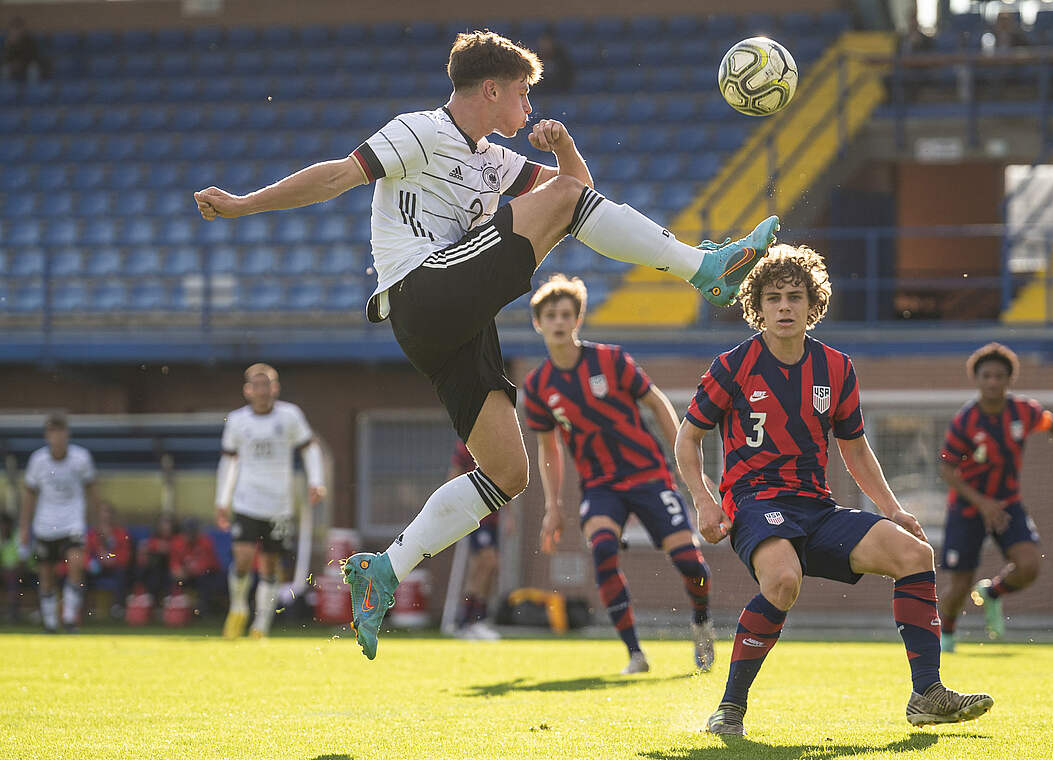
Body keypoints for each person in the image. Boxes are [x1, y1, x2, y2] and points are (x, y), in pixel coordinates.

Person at [193, 30, 778, 659]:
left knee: (506, 473)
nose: (530, 104)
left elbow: (578, 194)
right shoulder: (419, 130)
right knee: (562, 204)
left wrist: (566, 145)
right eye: (524, 91)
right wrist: (243, 205)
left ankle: (384, 570)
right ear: (491, 89)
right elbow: (338, 175)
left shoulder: (493, 160)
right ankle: (703, 269)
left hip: (450, 326)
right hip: (424, 288)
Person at [675, 245, 992, 734]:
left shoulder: (837, 368)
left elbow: (856, 449)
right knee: (782, 582)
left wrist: (894, 511)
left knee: (915, 554)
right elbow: (688, 438)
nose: (784, 307)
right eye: (774, 297)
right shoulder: (732, 365)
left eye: (795, 297)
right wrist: (703, 499)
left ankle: (927, 694)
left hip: (816, 509)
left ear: (813, 305)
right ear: (756, 305)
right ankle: (730, 710)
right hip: (755, 502)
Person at [525, 275, 716, 674]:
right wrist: (553, 507)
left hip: (649, 475)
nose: (559, 321)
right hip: (601, 485)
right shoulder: (538, 386)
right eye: (550, 315)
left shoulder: (611, 360)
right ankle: (634, 653)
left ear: (577, 320)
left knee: (690, 562)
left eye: (566, 314)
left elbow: (658, 404)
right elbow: (549, 450)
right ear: (538, 323)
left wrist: (686, 467)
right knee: (603, 551)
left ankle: (701, 623)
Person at [935, 342, 1053, 651]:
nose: (993, 382)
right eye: (986, 376)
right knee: (959, 585)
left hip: (1007, 503)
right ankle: (945, 636)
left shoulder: (1024, 411)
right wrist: (981, 502)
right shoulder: (965, 421)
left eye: (999, 376)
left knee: (1029, 567)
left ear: (1010, 379)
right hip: (968, 507)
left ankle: (993, 593)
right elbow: (946, 469)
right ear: (977, 379)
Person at [215, 363, 326, 639]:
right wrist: (222, 500)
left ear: (275, 388)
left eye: (267, 384)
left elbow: (309, 447)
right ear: (247, 390)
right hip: (246, 501)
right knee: (242, 559)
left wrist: (316, 481)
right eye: (256, 385)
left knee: (270, 564)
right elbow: (228, 462)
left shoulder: (289, 416)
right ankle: (238, 607)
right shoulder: (237, 421)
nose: (262, 390)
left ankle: (261, 624)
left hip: (279, 505)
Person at [19, 414, 97, 633]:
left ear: (67, 434)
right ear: (47, 435)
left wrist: (97, 522)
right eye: (52, 432)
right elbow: (29, 495)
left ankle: (70, 618)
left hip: (72, 523)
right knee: (46, 575)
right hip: (45, 525)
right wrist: (24, 527)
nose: (57, 437)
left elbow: (92, 490)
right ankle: (51, 622)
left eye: (61, 431)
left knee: (76, 566)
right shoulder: (38, 461)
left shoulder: (81, 458)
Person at [448, 439, 503, 640]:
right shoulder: (468, 442)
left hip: (493, 513)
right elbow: (454, 473)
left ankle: (475, 620)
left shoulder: (500, 441)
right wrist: (453, 507)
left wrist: (510, 515)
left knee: (488, 566)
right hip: (475, 513)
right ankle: (468, 621)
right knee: (486, 563)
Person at [84, 501, 133, 620]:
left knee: (123, 573)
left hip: (114, 567)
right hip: (96, 567)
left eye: (107, 512)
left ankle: (118, 608)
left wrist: (112, 558)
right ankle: (82, 608)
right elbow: (84, 553)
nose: (105, 515)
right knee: (82, 574)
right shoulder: (91, 534)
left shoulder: (120, 533)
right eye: (102, 512)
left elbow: (126, 554)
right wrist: (91, 563)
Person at [170, 517, 225, 616]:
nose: (189, 535)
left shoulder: (205, 542)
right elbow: (174, 563)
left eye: (192, 533)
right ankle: (174, 609)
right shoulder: (177, 542)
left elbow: (207, 565)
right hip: (187, 576)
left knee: (205, 580)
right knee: (173, 579)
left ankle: (203, 610)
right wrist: (177, 570)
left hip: (207, 575)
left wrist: (187, 571)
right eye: (187, 532)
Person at [136, 514, 177, 603]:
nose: (166, 527)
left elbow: (177, 548)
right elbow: (145, 547)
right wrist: (156, 546)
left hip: (172, 569)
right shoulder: (153, 538)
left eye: (168, 524)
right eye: (163, 524)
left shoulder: (177, 538)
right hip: (156, 570)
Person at [2, 17, 49, 83]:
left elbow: (33, 56)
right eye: (13, 29)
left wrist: (21, 63)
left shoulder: (29, 41)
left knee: (33, 69)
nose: (16, 32)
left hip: (27, 64)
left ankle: (33, 89)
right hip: (13, 65)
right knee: (5, 69)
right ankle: (6, 89)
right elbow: (6, 58)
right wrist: (11, 45)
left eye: (18, 28)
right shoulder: (8, 42)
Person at [532, 30, 573, 94]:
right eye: (543, 43)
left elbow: (568, 76)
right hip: (540, 92)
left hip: (560, 91)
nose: (546, 46)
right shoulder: (533, 59)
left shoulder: (562, 59)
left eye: (548, 43)